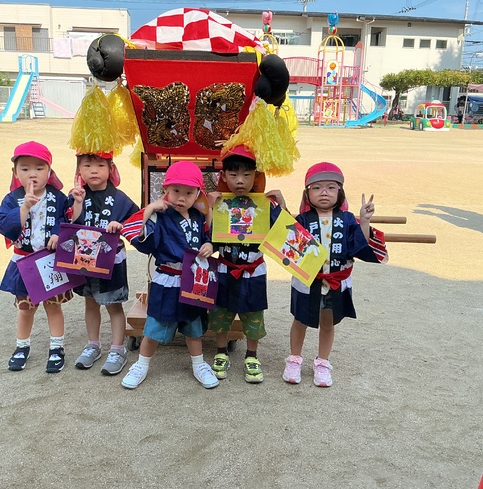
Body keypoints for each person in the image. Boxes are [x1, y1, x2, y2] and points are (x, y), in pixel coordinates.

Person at [284, 162, 387, 387]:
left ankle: (322, 362)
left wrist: (365, 220)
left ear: (340, 192)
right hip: (308, 280)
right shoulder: (302, 220)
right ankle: (294, 359)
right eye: (317, 187)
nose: (324, 192)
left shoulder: (347, 219)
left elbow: (359, 246)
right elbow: (288, 246)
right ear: (307, 193)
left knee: (328, 321)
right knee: (300, 319)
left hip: (336, 280)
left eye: (331, 187)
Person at [119, 161, 219, 389]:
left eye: (189, 193)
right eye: (176, 190)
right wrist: (149, 209)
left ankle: (199, 364)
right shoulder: (159, 215)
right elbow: (135, 234)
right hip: (167, 279)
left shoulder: (198, 216)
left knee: (193, 324)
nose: (181, 198)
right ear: (165, 189)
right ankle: (141, 365)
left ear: (198, 194)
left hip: (193, 279)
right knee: (155, 324)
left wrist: (209, 245)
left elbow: (207, 237)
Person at [207, 145, 285, 383]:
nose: (240, 180)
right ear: (224, 176)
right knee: (220, 313)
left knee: (253, 315)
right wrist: (210, 208)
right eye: (233, 174)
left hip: (253, 271)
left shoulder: (265, 205)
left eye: (246, 174)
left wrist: (281, 205)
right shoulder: (218, 203)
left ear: (256, 176)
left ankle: (252, 355)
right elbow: (209, 239)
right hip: (225, 269)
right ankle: (221, 352)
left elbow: (284, 236)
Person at [0, 142, 70, 373]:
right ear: (15, 172)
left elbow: (66, 220)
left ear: (50, 171)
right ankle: (22, 346)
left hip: (49, 262)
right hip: (24, 262)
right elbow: (5, 227)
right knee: (26, 308)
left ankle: (57, 347)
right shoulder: (12, 199)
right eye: (25, 168)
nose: (32, 174)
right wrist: (24, 208)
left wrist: (58, 234)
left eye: (39, 168)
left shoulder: (58, 198)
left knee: (53, 306)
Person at [68, 152, 139, 375]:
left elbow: (137, 222)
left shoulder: (120, 198)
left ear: (111, 169)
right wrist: (77, 202)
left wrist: (120, 226)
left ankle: (118, 349)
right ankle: (93, 344)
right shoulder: (76, 196)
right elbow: (71, 223)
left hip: (111, 260)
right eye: (87, 166)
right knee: (90, 303)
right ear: (79, 171)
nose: (94, 170)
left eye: (100, 165)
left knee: (113, 305)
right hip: (84, 258)